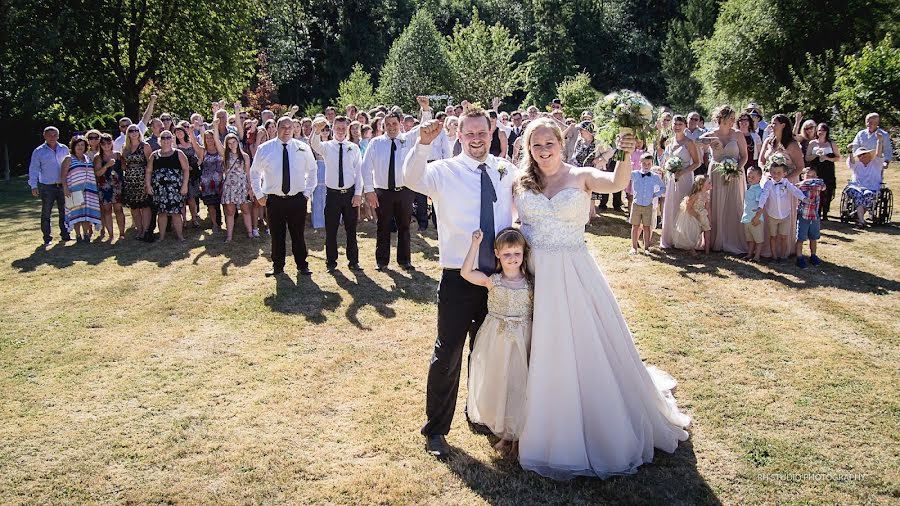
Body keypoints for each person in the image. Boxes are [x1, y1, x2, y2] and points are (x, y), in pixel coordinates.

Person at [510, 118, 689, 479]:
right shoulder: (519, 182)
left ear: (563, 144)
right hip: (533, 272)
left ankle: (583, 419)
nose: (543, 151)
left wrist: (625, 153)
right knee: (536, 344)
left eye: (550, 144)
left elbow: (618, 182)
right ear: (528, 148)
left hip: (574, 272)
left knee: (582, 344)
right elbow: (513, 222)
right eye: (536, 145)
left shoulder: (581, 176)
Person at [402, 107, 520, 459]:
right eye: (468, 133)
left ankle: (481, 413)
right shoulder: (443, 171)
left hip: (497, 279)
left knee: (487, 352)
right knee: (448, 353)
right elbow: (411, 178)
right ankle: (436, 430)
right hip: (457, 276)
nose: (475, 138)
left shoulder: (506, 170)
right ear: (458, 135)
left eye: (481, 132)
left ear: (491, 130)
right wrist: (421, 144)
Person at [462, 228, 533, 459]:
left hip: (523, 339)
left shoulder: (530, 284)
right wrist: (475, 245)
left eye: (517, 253)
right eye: (506, 254)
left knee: (519, 383)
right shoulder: (493, 281)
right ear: (497, 255)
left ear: (524, 254)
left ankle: (520, 436)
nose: (512, 258)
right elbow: (465, 273)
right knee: (500, 382)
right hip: (497, 339)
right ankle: (505, 433)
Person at [250, 116, 317, 277]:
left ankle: (302, 265)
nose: (287, 130)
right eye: (283, 127)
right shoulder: (265, 148)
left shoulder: (302, 147)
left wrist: (307, 193)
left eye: (290, 127)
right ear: (277, 129)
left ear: (294, 129)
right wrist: (259, 194)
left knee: (298, 234)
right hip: (274, 200)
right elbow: (254, 172)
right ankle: (277, 266)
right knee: (277, 235)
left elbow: (313, 170)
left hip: (297, 199)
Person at [310, 116, 364, 273]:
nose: (340, 131)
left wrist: (358, 194)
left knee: (351, 230)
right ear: (332, 129)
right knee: (331, 230)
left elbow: (359, 172)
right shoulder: (326, 147)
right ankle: (331, 262)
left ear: (347, 129)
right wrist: (316, 130)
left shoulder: (353, 148)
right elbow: (314, 144)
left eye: (343, 128)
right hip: (332, 195)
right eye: (337, 128)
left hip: (350, 194)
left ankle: (353, 261)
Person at [362, 112, 415, 271]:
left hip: (405, 191)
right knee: (383, 226)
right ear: (383, 125)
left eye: (394, 123)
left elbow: (423, 131)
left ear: (400, 124)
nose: (391, 127)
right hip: (382, 192)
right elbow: (366, 168)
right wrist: (369, 191)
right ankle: (382, 261)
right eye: (388, 124)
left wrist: (425, 110)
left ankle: (404, 260)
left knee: (404, 226)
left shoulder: (408, 140)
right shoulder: (375, 143)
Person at [699, 105, 748, 254]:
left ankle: (733, 239)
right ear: (721, 119)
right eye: (730, 118)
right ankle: (715, 240)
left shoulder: (738, 135)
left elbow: (745, 156)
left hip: (735, 173)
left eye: (734, 118)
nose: (733, 121)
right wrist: (707, 140)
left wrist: (736, 169)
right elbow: (698, 141)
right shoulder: (712, 133)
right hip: (715, 173)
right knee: (716, 204)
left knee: (734, 204)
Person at [758, 114, 806, 257]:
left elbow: (800, 166)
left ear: (783, 125)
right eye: (772, 123)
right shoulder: (768, 141)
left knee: (784, 214)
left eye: (774, 123)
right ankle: (768, 248)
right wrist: (765, 173)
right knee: (768, 213)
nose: (771, 126)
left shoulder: (791, 144)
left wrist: (785, 179)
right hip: (768, 182)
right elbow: (761, 160)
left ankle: (784, 250)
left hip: (786, 185)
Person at [660, 115, 701, 249]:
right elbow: (665, 161)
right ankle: (670, 238)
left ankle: (684, 239)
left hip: (685, 179)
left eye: (680, 124)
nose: (677, 127)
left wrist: (682, 172)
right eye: (675, 124)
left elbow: (697, 162)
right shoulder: (669, 142)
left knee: (683, 207)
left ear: (685, 126)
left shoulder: (689, 142)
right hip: (672, 180)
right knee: (671, 206)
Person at [29, 126, 71, 246]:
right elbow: (33, 169)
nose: (52, 137)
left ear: (58, 136)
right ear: (44, 136)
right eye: (49, 135)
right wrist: (33, 185)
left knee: (64, 211)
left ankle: (65, 235)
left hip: (62, 185)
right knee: (46, 213)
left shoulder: (64, 148)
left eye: (54, 135)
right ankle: (47, 238)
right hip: (47, 187)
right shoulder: (39, 151)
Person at [144, 131, 189, 242]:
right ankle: (161, 237)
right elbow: (149, 171)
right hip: (159, 189)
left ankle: (180, 236)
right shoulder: (154, 155)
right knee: (161, 213)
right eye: (163, 138)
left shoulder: (179, 153)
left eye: (168, 137)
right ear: (160, 140)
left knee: (176, 213)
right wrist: (148, 185)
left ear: (172, 139)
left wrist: (184, 185)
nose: (166, 140)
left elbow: (186, 170)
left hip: (175, 189)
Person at [758, 162, 807, 262]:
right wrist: (760, 206)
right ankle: (774, 256)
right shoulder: (768, 184)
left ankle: (783, 256)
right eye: (773, 172)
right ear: (770, 172)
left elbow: (794, 190)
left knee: (784, 237)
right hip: (772, 215)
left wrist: (803, 198)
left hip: (785, 215)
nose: (775, 175)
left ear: (784, 173)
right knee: (773, 236)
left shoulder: (786, 183)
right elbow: (764, 195)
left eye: (779, 172)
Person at [60, 136, 101, 242]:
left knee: (86, 213)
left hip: (88, 191)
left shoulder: (87, 158)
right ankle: (78, 235)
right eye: (78, 145)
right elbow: (63, 175)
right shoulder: (68, 158)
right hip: (74, 191)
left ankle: (86, 234)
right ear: (73, 146)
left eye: (82, 145)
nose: (80, 147)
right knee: (76, 213)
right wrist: (65, 188)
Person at [121, 124, 154, 240]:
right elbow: (124, 164)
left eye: (136, 130)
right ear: (128, 134)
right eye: (131, 131)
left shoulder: (145, 146)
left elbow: (150, 163)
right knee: (134, 207)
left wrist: (148, 180)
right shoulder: (125, 148)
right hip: (130, 180)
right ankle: (139, 230)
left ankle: (146, 230)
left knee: (145, 206)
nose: (134, 132)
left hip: (143, 178)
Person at [220, 133, 253, 242]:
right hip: (229, 185)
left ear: (238, 142)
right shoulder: (225, 155)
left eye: (234, 142)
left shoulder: (245, 156)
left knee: (245, 209)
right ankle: (229, 236)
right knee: (230, 211)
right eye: (229, 143)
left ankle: (250, 233)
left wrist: (250, 186)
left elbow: (248, 172)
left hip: (242, 185)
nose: (232, 145)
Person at [629, 155, 665, 254]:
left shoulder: (654, 176)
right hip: (637, 204)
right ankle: (634, 247)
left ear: (651, 164)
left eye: (649, 164)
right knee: (635, 226)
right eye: (644, 163)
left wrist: (655, 194)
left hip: (648, 205)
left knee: (647, 227)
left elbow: (663, 188)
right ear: (640, 163)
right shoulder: (635, 174)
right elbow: (624, 177)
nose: (646, 165)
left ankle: (646, 248)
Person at [93, 133, 126, 241]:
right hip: (104, 186)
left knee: (119, 210)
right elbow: (97, 173)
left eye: (108, 143)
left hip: (117, 186)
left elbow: (124, 168)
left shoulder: (117, 155)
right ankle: (111, 234)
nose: (106, 145)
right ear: (100, 145)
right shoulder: (98, 157)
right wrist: (106, 165)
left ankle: (122, 233)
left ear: (112, 143)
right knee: (107, 211)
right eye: (103, 144)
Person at [845, 140, 885, 227]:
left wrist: (879, 141)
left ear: (869, 155)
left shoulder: (876, 164)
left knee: (868, 195)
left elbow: (879, 154)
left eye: (864, 154)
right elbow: (851, 162)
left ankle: (859, 218)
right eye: (859, 155)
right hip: (857, 187)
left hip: (872, 188)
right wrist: (850, 151)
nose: (862, 156)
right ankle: (862, 220)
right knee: (858, 195)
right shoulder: (856, 164)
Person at [805, 123, 841, 220]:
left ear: (827, 132)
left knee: (827, 190)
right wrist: (816, 155)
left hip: (828, 169)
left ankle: (825, 212)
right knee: (815, 189)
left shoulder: (831, 143)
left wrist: (826, 158)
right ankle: (816, 211)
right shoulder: (812, 143)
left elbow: (838, 157)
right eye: (819, 130)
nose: (821, 132)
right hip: (816, 168)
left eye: (823, 130)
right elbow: (807, 157)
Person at [795, 167, 827, 268]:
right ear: (802, 176)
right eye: (808, 176)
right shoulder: (801, 186)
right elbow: (800, 187)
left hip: (814, 215)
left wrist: (810, 182)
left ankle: (813, 255)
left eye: (813, 176)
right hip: (803, 215)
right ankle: (799, 257)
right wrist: (806, 183)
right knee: (800, 237)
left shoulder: (818, 185)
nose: (811, 179)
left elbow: (823, 186)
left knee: (813, 237)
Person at [673, 175, 711, 255]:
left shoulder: (707, 195)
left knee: (707, 229)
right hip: (694, 215)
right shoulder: (696, 195)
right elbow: (689, 206)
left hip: (703, 215)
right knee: (694, 231)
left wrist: (709, 217)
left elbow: (707, 207)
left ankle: (707, 250)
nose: (711, 184)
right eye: (709, 183)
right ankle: (691, 248)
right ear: (702, 185)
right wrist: (695, 215)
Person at [198, 127, 226, 233]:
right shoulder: (203, 151)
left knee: (224, 203)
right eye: (207, 138)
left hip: (220, 182)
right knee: (211, 205)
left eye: (211, 137)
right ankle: (214, 224)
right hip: (207, 183)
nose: (209, 140)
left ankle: (226, 223)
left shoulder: (220, 149)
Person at [741, 167, 765, 261]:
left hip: (755, 219)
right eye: (748, 177)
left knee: (758, 239)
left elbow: (762, 205)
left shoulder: (759, 190)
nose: (750, 179)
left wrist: (757, 217)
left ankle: (757, 256)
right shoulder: (748, 188)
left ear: (759, 177)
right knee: (750, 239)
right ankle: (749, 254)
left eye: (753, 177)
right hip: (747, 218)